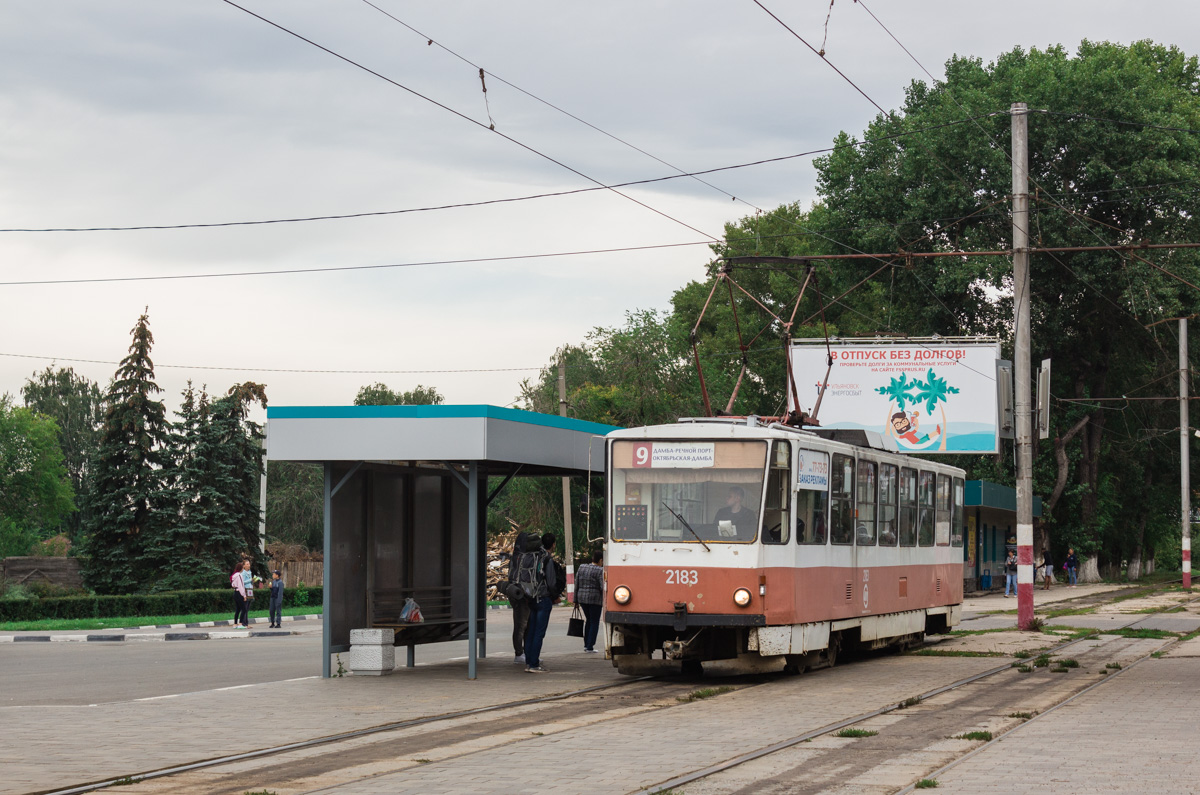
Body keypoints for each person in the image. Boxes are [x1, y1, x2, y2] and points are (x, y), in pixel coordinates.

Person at [520, 537, 556, 673]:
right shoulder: (547, 559)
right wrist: (555, 596)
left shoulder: (531, 558)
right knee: (539, 633)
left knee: (531, 632)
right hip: (543, 598)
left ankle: (529, 662)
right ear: (553, 544)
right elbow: (551, 582)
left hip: (531, 598)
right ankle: (534, 664)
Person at [506, 532, 534, 665]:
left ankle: (524, 652)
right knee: (521, 625)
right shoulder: (524, 557)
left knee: (523, 625)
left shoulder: (515, 557)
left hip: (516, 593)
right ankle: (519, 653)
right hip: (522, 594)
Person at [575, 550, 605, 653]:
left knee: (589, 620)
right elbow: (602, 587)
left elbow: (576, 584)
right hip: (595, 600)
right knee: (594, 622)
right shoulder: (600, 570)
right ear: (600, 560)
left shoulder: (582, 567)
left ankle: (586, 644)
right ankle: (590, 646)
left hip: (582, 599)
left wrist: (575, 600)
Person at [231, 563, 249, 627]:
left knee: (238, 609)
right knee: (244, 609)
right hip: (239, 593)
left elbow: (233, 584)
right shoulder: (239, 575)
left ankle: (235, 623)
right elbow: (241, 585)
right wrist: (244, 595)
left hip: (235, 592)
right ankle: (240, 623)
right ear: (241, 568)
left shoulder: (234, 575)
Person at [241, 560, 255, 625]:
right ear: (244, 566)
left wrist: (253, 581)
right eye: (247, 564)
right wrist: (250, 580)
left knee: (248, 607)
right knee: (245, 606)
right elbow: (242, 582)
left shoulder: (249, 572)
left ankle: (246, 622)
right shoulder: (243, 573)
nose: (248, 565)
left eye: (249, 564)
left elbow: (250, 581)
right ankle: (243, 622)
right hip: (246, 590)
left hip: (250, 590)